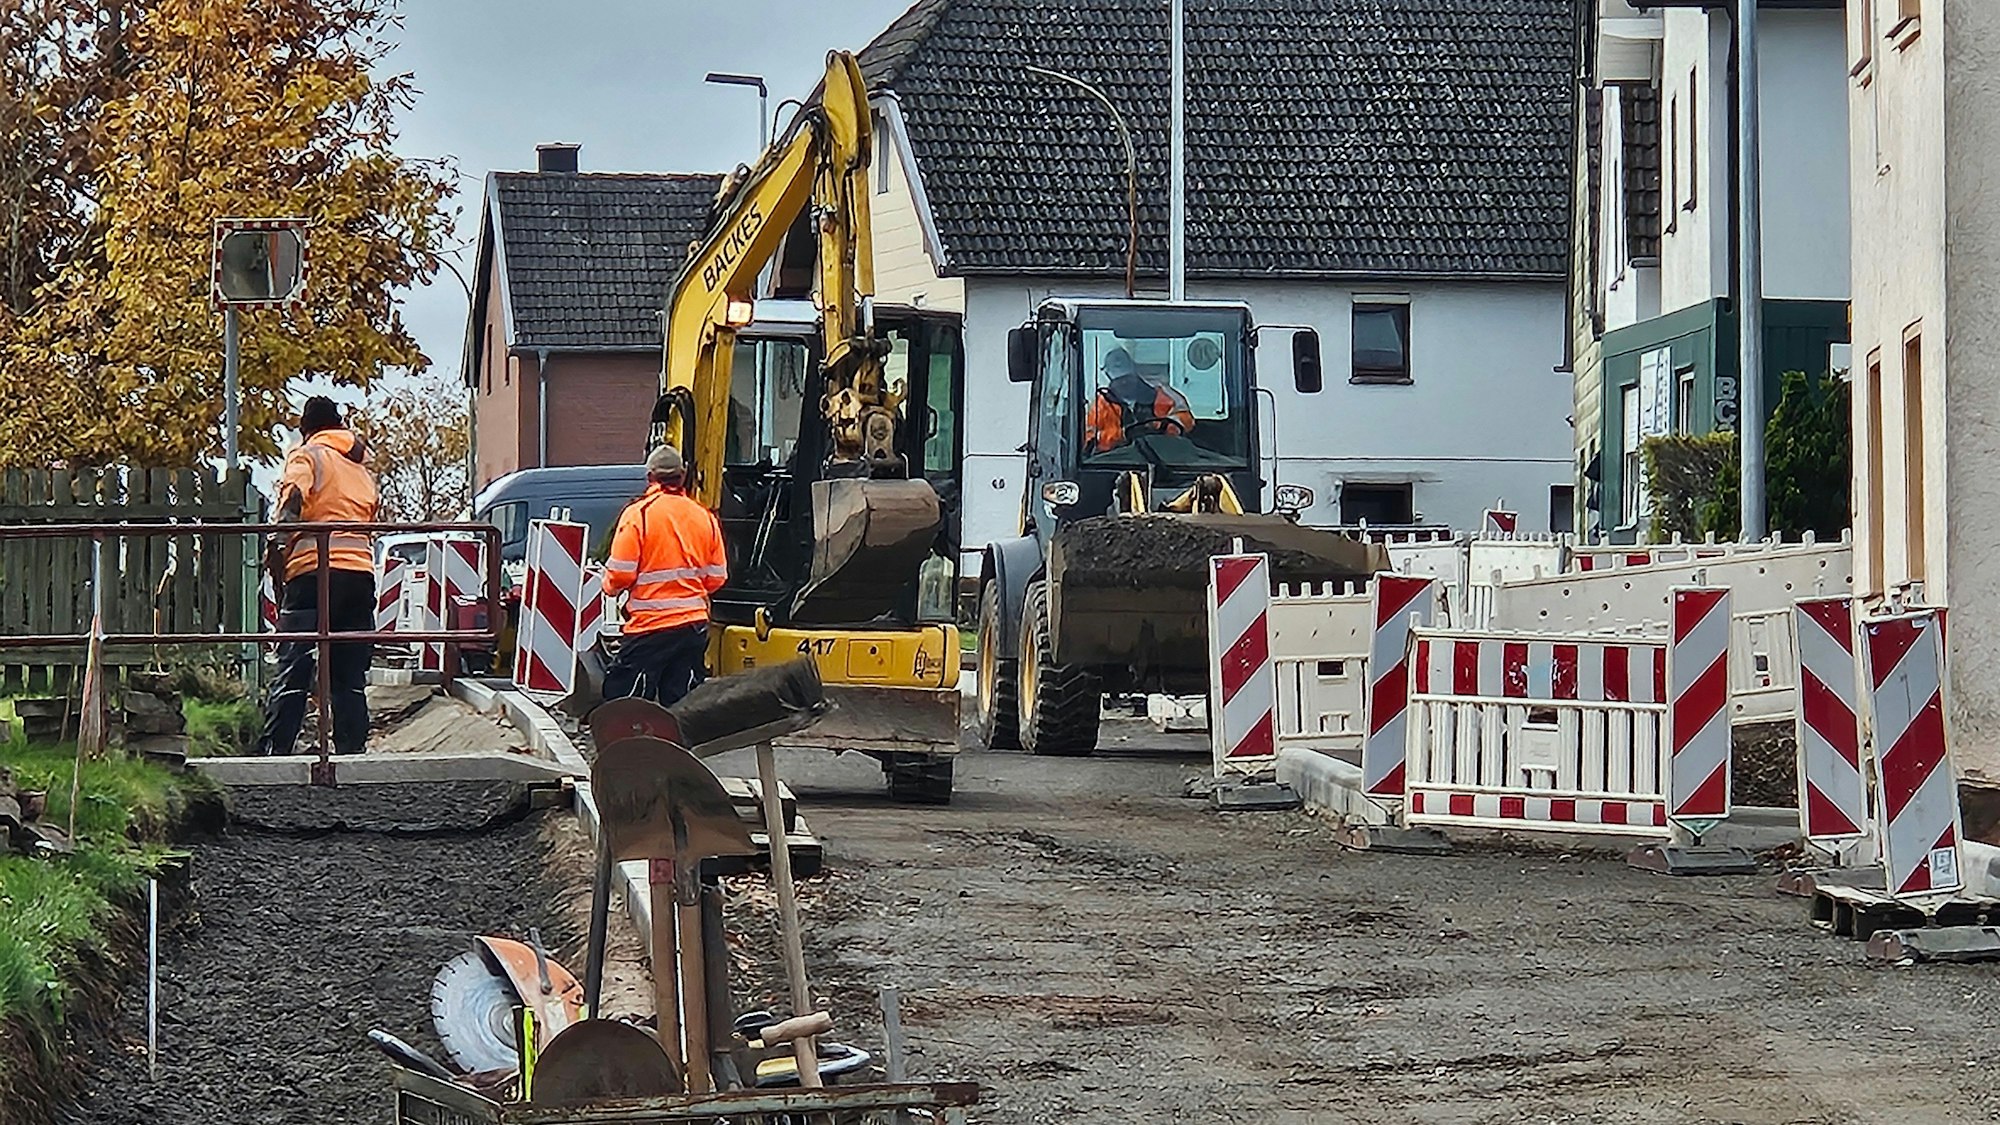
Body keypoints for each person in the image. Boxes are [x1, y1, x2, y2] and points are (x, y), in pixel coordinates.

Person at [258, 396, 380, 756]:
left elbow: (293, 497)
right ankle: (351, 752)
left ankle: (276, 751)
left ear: (306, 429)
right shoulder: (359, 467)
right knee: (349, 674)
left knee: (296, 663)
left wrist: (277, 545)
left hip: (314, 571)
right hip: (359, 572)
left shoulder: (307, 455)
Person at [600, 444, 729, 707]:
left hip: (650, 627)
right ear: (682, 475)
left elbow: (620, 574)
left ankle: (633, 746)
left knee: (627, 700)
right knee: (683, 703)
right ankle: (679, 746)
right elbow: (717, 577)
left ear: (650, 477)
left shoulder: (639, 515)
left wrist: (608, 587)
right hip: (693, 627)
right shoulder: (703, 516)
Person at [1084, 348, 1196, 453]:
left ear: (1134, 373)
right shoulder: (1101, 406)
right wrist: (1122, 434)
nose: (1124, 383)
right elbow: (1087, 440)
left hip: (1162, 457)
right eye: (1119, 379)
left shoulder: (1161, 395)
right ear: (1108, 376)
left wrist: (1159, 427)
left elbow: (1186, 420)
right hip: (1115, 462)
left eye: (1127, 378)